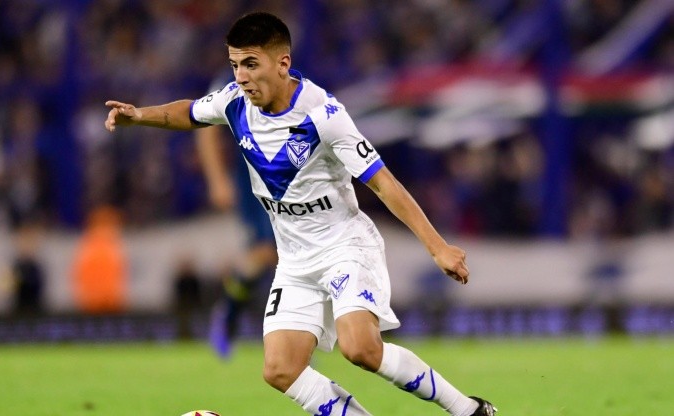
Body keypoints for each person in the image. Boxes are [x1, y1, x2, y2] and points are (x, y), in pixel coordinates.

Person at [104, 12, 497, 416]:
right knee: (280, 369)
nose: (241, 76)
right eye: (235, 64)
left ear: (283, 63)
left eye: (251, 64)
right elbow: (189, 113)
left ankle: (469, 410)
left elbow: (384, 184)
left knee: (359, 348)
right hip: (294, 260)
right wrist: (140, 114)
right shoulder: (234, 102)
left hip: (345, 246)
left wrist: (438, 248)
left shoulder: (323, 115)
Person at [195, 120, 278, 359]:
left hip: (290, 172)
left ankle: (293, 333)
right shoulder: (235, 83)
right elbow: (207, 124)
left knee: (284, 253)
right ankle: (227, 316)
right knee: (266, 252)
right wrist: (216, 178)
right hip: (255, 173)